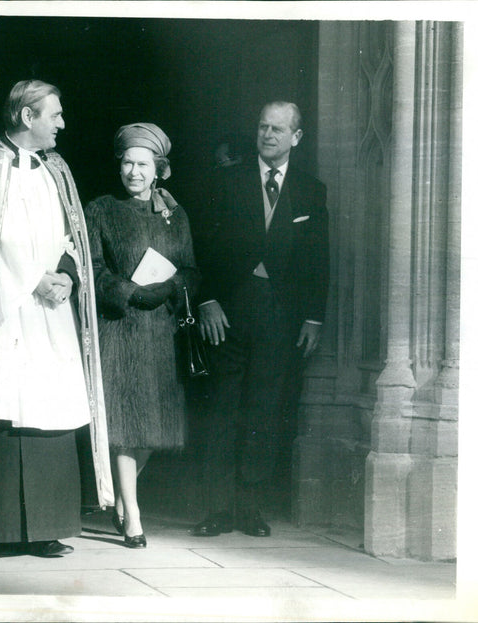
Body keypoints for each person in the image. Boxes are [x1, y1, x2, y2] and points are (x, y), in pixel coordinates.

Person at [0, 79, 113, 558]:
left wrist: (65, 274)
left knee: (52, 407)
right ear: (27, 116)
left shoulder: (55, 169)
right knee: (7, 403)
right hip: (6, 311)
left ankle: (46, 527)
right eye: (55, 115)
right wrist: (30, 279)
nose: (62, 124)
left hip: (51, 312)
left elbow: (71, 235)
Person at [190, 101, 329, 537]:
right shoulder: (225, 181)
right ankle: (216, 510)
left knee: (263, 410)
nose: (268, 135)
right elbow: (200, 247)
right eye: (263, 127)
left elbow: (318, 258)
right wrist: (207, 299)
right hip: (227, 311)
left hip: (281, 315)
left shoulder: (311, 190)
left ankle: (249, 509)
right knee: (222, 408)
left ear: (296, 137)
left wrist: (313, 319)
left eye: (278, 129)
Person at [84, 123, 199, 548]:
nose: (133, 171)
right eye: (128, 162)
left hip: (161, 332)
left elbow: (191, 269)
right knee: (128, 425)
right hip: (122, 329)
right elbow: (92, 269)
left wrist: (170, 288)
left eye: (143, 164)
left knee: (157, 430)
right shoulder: (100, 209)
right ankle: (132, 514)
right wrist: (129, 292)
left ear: (158, 169)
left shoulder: (175, 213)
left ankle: (118, 497)